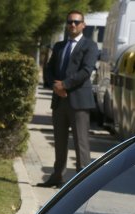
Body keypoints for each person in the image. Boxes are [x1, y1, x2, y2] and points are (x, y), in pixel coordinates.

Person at [37, 11, 99, 189]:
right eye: (70, 22)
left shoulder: (90, 45)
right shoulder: (59, 46)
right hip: (59, 100)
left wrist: (64, 85)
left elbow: (86, 71)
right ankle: (57, 177)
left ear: (83, 25)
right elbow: (48, 69)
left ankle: (82, 181)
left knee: (81, 142)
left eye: (76, 22)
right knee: (59, 141)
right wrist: (55, 86)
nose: (73, 25)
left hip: (78, 101)